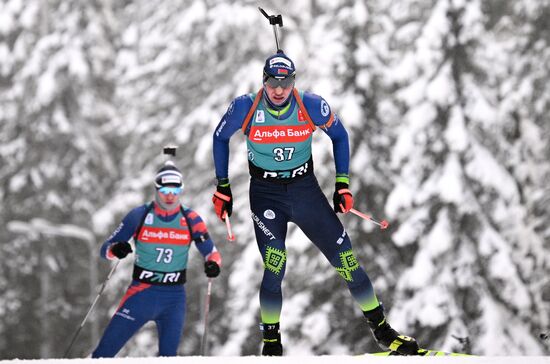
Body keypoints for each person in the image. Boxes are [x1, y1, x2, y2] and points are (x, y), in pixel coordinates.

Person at [211, 51, 419, 356]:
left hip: (304, 192)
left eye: (286, 82)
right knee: (275, 264)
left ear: (294, 82)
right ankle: (271, 342)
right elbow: (220, 138)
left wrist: (343, 184)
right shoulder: (245, 107)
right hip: (266, 195)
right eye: (272, 83)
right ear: (263, 82)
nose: (279, 90)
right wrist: (223, 187)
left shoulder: (310, 104)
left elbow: (339, 135)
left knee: (346, 260)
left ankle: (383, 330)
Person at [92, 161, 222, 358]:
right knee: (102, 355)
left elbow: (211, 252)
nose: (170, 196)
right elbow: (104, 249)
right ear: (156, 189)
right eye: (165, 190)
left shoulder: (190, 219)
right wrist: (116, 249)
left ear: (181, 190)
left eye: (175, 190)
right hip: (140, 295)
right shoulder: (139, 215)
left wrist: (212, 264)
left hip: (173, 300)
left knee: (169, 358)